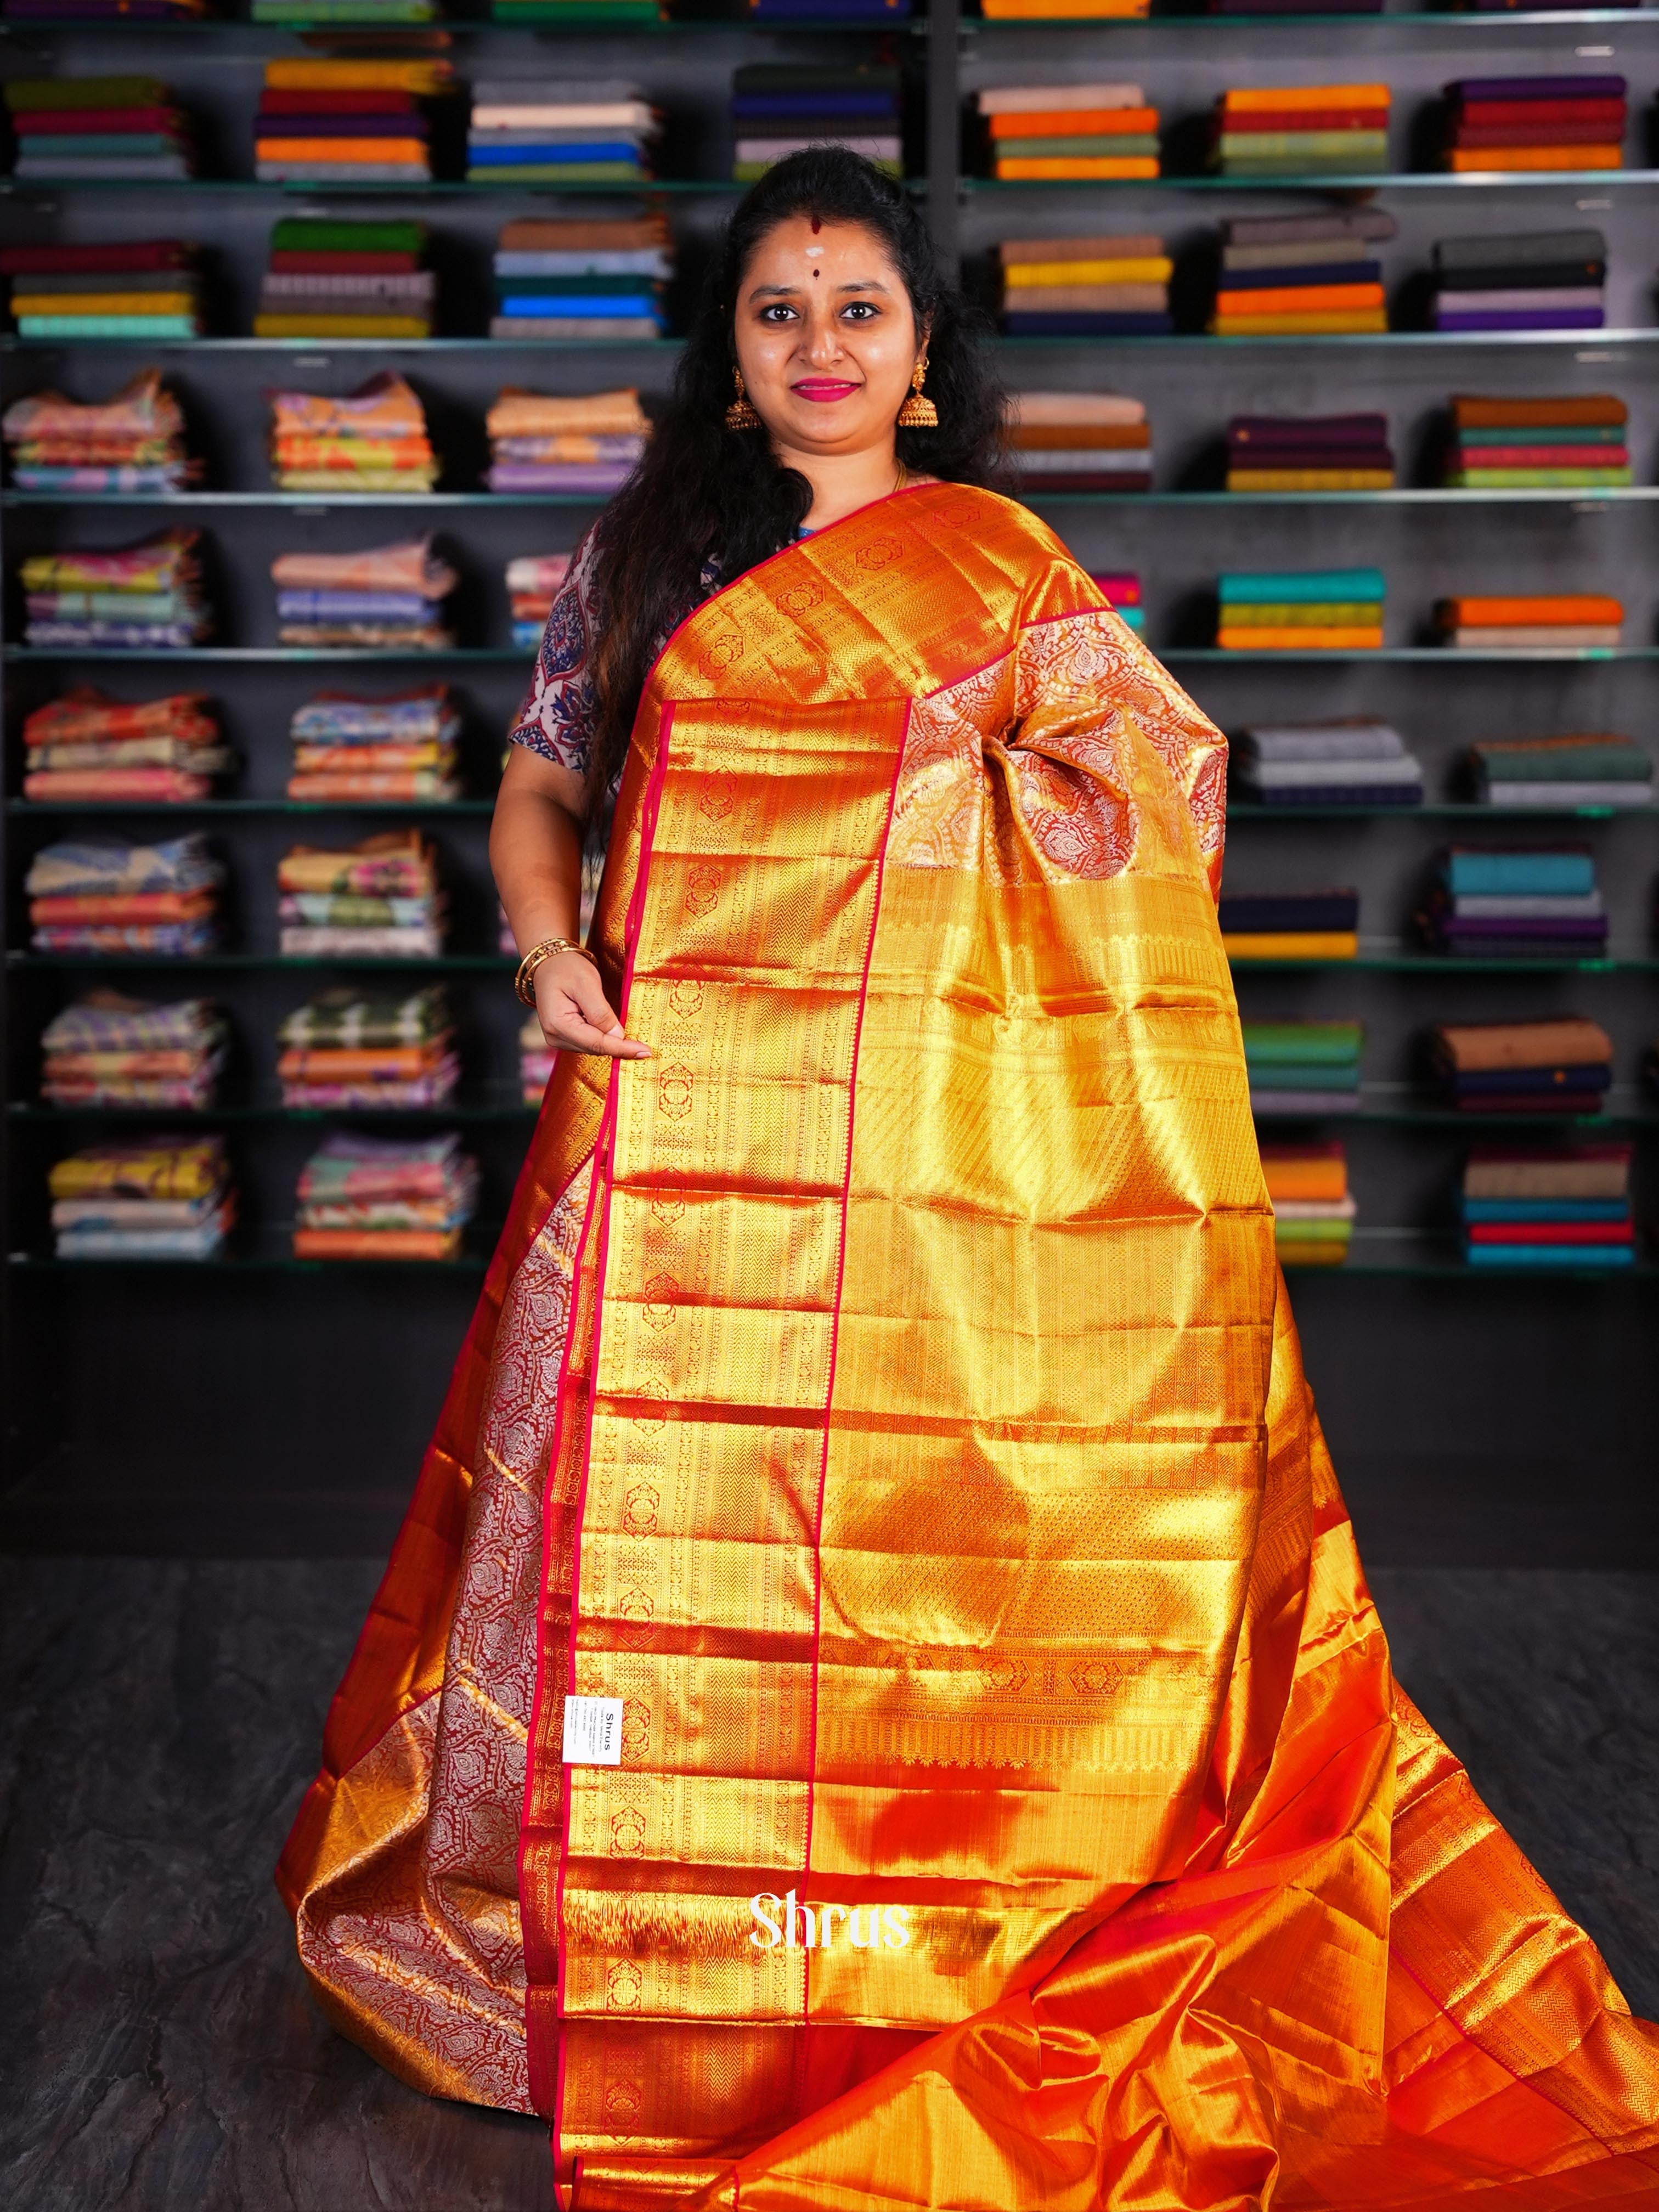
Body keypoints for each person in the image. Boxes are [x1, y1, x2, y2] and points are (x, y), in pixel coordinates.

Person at [279, 149, 1659, 2205]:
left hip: (924, 1165)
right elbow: (546, 777)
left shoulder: (1000, 567)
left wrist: (983, 793)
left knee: (892, 1553)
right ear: (730, 358)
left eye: (859, 309)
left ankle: (903, 1932)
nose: (818, 346)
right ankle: (627, 1951)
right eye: (777, 311)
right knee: (643, 1539)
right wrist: (552, 948)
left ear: (924, 357)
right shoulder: (650, 553)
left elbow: (1161, 798)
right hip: (668, 1126)